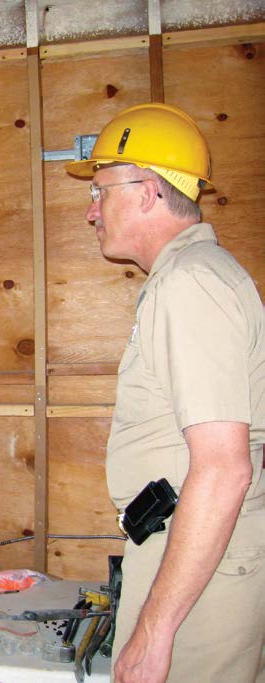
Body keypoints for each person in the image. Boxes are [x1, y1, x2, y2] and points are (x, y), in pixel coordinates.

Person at [66, 103, 264, 683]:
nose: (90, 211)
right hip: (195, 555)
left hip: (203, 574)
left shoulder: (191, 282)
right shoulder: (192, 276)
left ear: (148, 191)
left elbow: (225, 470)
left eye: (101, 192)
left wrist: (154, 632)